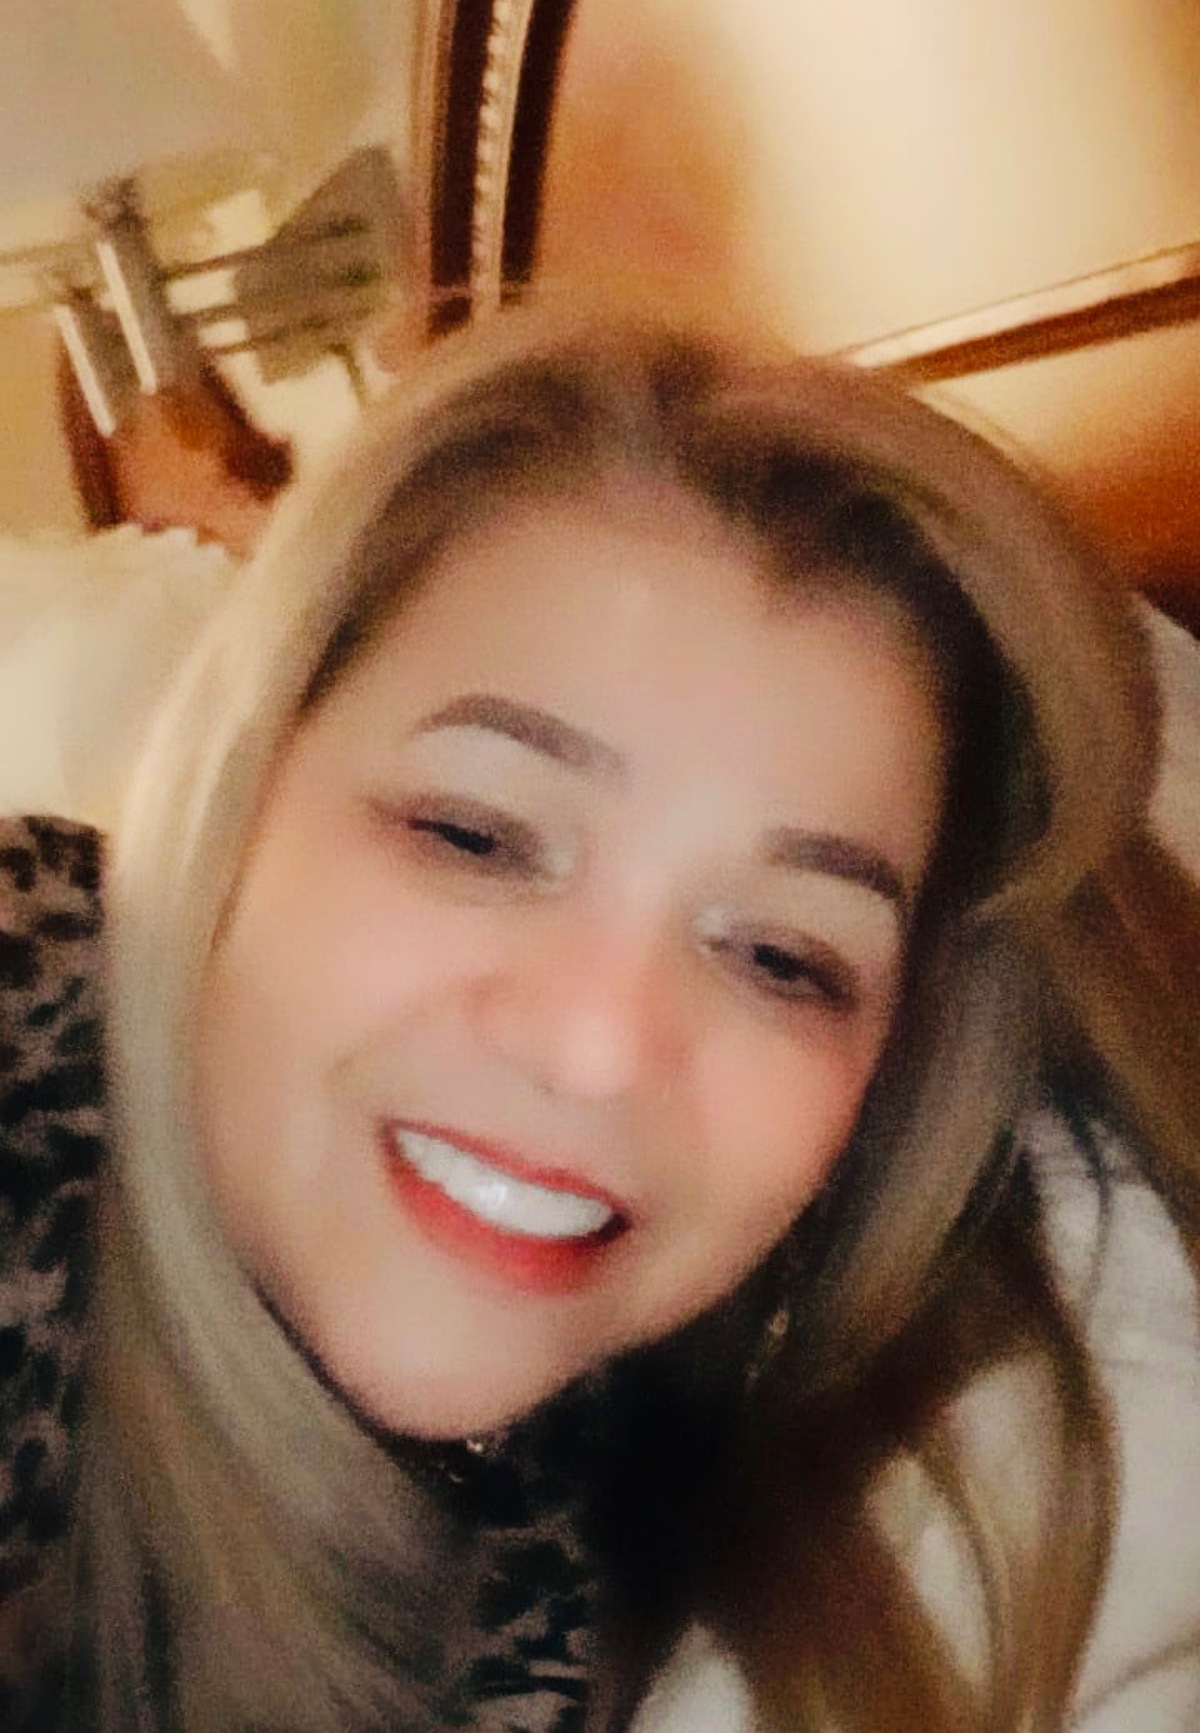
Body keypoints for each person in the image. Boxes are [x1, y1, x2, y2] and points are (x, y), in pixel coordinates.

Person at [1, 305, 1198, 1732]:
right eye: (474, 834)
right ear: (234, 791)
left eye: (780, 956)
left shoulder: (690, 1507)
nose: (598, 1049)